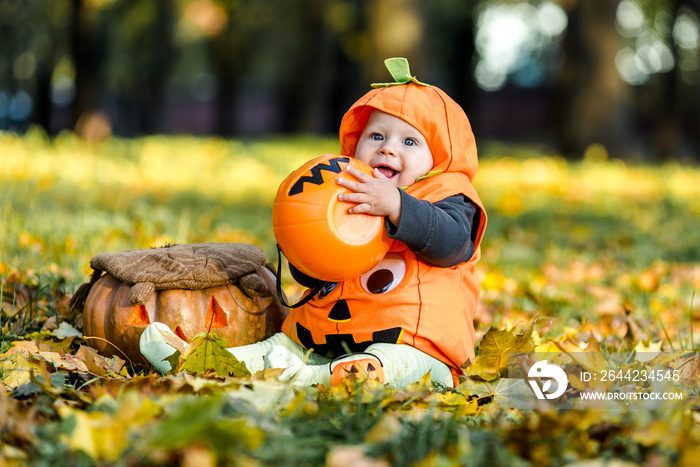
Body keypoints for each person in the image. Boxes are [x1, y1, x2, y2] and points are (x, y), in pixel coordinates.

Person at [140, 58, 487, 388]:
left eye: (409, 141)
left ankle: (314, 380)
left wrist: (397, 205)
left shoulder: (449, 194)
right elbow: (313, 273)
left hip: (414, 345)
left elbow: (452, 244)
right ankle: (204, 362)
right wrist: (303, 242)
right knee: (278, 347)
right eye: (377, 136)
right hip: (327, 337)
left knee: (391, 363)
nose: (387, 149)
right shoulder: (343, 190)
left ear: (439, 157)